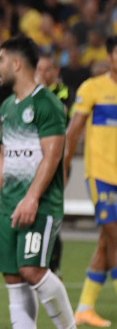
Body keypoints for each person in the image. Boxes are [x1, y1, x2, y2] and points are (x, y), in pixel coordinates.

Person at [0, 36, 76, 329]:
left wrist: (32, 198)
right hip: (8, 203)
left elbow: (53, 156)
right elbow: (4, 158)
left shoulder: (47, 104)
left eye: (1, 60)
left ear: (17, 64)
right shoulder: (8, 107)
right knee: (13, 277)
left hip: (40, 204)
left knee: (32, 270)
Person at [64, 36, 117, 328]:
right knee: (115, 235)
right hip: (102, 175)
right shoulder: (92, 88)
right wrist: (63, 167)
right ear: (109, 57)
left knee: (106, 241)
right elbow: (73, 132)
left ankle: (84, 308)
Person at [35, 52, 70, 278]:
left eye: (48, 69)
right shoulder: (33, 93)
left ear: (56, 71)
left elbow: (62, 114)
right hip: (36, 161)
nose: (43, 74)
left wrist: (41, 91)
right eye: (39, 69)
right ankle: (37, 261)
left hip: (57, 162)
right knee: (35, 211)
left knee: (50, 211)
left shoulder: (63, 92)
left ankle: (53, 265)